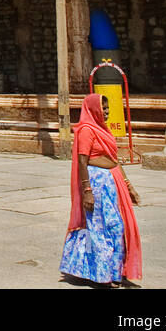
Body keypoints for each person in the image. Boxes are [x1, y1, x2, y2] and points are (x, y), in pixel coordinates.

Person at [60, 93, 143, 286]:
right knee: (99, 229)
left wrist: (129, 187)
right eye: (102, 108)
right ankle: (102, 275)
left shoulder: (103, 130)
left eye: (107, 109)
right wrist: (87, 190)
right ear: (92, 109)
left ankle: (113, 272)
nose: (105, 112)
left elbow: (114, 160)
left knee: (115, 227)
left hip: (110, 185)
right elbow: (82, 161)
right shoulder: (87, 130)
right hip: (96, 184)